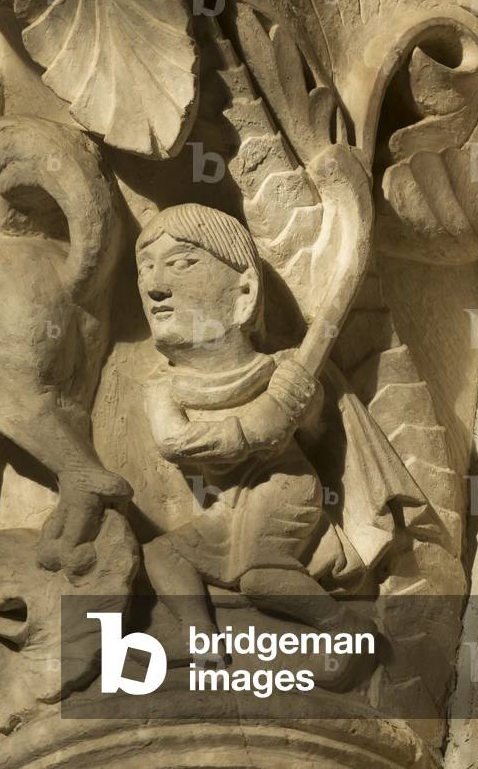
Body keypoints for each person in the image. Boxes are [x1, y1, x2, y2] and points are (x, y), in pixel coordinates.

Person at [136, 203, 379, 671]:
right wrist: (248, 430)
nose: (154, 286)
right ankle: (203, 640)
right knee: (161, 555)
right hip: (227, 501)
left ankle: (345, 630)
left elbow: (309, 427)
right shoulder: (162, 387)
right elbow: (172, 443)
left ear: (245, 292)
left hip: (282, 484)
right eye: (145, 267)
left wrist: (295, 402)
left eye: (182, 263)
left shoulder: (281, 369)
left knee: (260, 575)